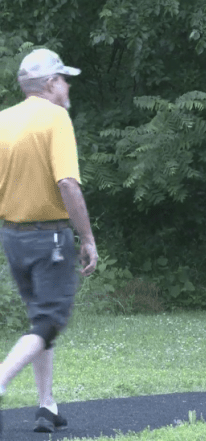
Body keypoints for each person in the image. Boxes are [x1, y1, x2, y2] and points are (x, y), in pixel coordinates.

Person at [0, 48, 99, 435]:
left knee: (38, 321)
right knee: (52, 320)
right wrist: (87, 237)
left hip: (12, 236)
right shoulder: (56, 118)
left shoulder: (4, 120)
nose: (68, 85)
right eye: (63, 78)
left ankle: (47, 405)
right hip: (50, 237)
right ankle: (3, 376)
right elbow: (67, 183)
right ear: (50, 84)